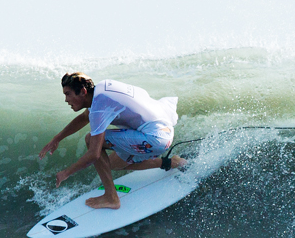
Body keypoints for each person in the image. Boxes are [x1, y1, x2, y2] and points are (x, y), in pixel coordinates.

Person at [38, 72, 185, 209]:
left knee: (91, 140)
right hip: (162, 132)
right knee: (114, 164)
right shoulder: (102, 90)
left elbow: (94, 154)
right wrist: (57, 138)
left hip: (154, 138)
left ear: (83, 91)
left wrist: (66, 173)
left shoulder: (99, 107)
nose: (66, 100)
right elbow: (84, 118)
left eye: (68, 94)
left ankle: (111, 197)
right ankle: (170, 163)